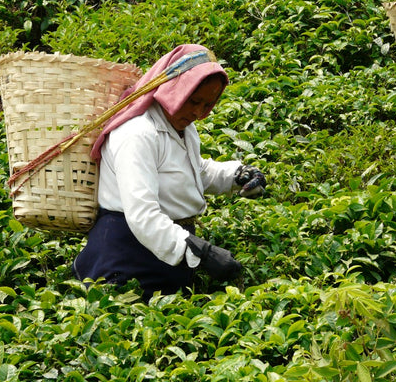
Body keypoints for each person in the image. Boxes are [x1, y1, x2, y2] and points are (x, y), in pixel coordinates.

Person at [72, 44, 266, 300]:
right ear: (173, 88)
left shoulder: (181, 125)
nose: (198, 113)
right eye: (193, 101)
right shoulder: (137, 134)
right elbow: (143, 216)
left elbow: (192, 171)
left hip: (164, 255)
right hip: (125, 257)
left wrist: (235, 175)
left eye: (207, 104)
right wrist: (202, 252)